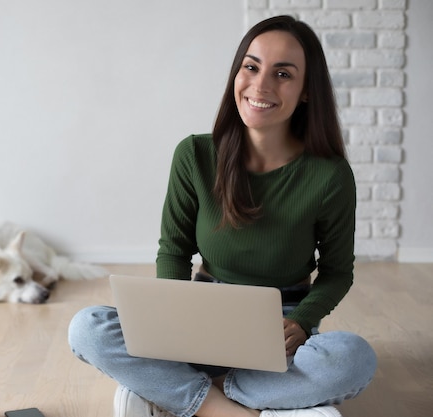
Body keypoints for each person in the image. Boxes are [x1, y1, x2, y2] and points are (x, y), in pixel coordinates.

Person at [68, 15, 377, 417]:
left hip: (281, 322)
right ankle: (229, 406)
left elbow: (337, 272)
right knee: (87, 327)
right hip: (200, 311)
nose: (261, 85)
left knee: (353, 357)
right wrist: (168, 318)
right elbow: (174, 251)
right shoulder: (195, 155)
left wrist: (302, 321)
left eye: (283, 74)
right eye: (251, 67)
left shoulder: (329, 175)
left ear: (305, 92)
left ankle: (185, 391)